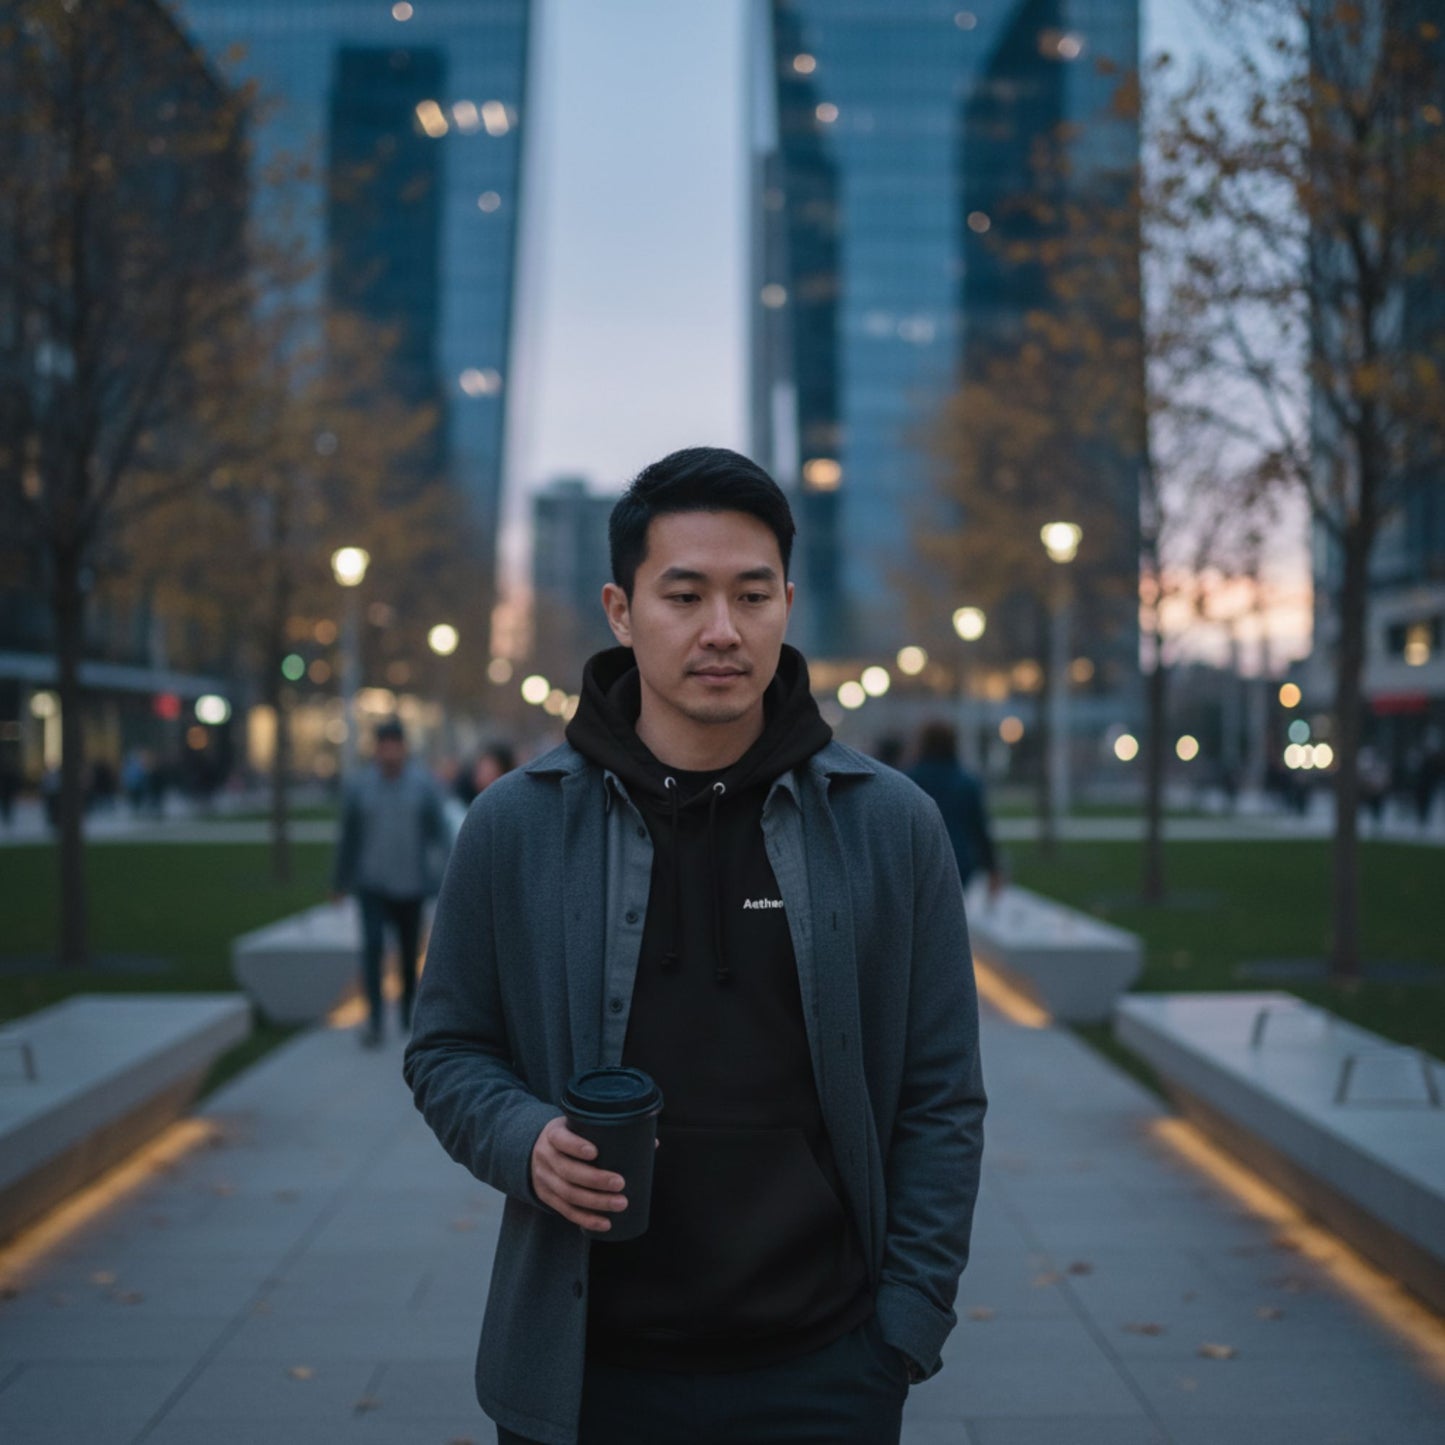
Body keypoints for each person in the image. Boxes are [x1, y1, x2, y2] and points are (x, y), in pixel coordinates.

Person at [404, 447, 987, 1445]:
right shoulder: (516, 825)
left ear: (786, 604)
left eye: (751, 595)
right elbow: (446, 1047)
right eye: (683, 596)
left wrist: (905, 1325)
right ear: (620, 611)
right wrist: (523, 1140)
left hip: (827, 1368)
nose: (722, 629)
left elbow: (940, 1095)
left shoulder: (889, 825)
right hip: (584, 1374)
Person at [331, 717, 449, 1048]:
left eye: (394, 746)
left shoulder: (423, 785)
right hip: (371, 885)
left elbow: (439, 834)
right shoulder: (360, 787)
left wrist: (448, 872)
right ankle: (375, 1019)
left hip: (411, 885)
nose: (389, 753)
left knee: (409, 954)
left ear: (403, 748)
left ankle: (408, 1011)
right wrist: (339, 881)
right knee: (372, 949)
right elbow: (348, 837)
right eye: (384, 747)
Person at [906, 721, 1003, 898]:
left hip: (918, 859)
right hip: (959, 860)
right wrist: (992, 868)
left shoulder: (909, 781)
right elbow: (979, 828)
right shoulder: (967, 782)